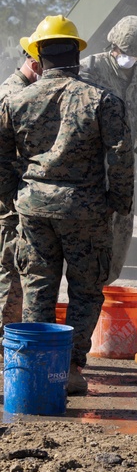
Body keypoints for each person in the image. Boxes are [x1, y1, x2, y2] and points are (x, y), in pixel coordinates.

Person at [0, 15, 133, 394]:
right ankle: (72, 368)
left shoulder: (16, 99)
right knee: (86, 290)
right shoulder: (103, 100)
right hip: (86, 211)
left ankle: (37, 368)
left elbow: (1, 157)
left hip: (34, 211)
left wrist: (12, 195)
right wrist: (117, 204)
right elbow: (121, 159)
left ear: (39, 55)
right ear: (76, 54)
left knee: (38, 286)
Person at [80, 15, 137, 283]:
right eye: (122, 51)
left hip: (122, 181)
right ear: (113, 44)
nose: (126, 57)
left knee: (116, 251)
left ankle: (101, 301)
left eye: (133, 54)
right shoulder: (88, 69)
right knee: (84, 252)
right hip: (88, 178)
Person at [0, 37, 43, 328]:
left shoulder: (24, 91)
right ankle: (3, 333)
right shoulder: (12, 95)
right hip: (9, 197)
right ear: (35, 63)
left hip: (15, 192)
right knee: (9, 265)